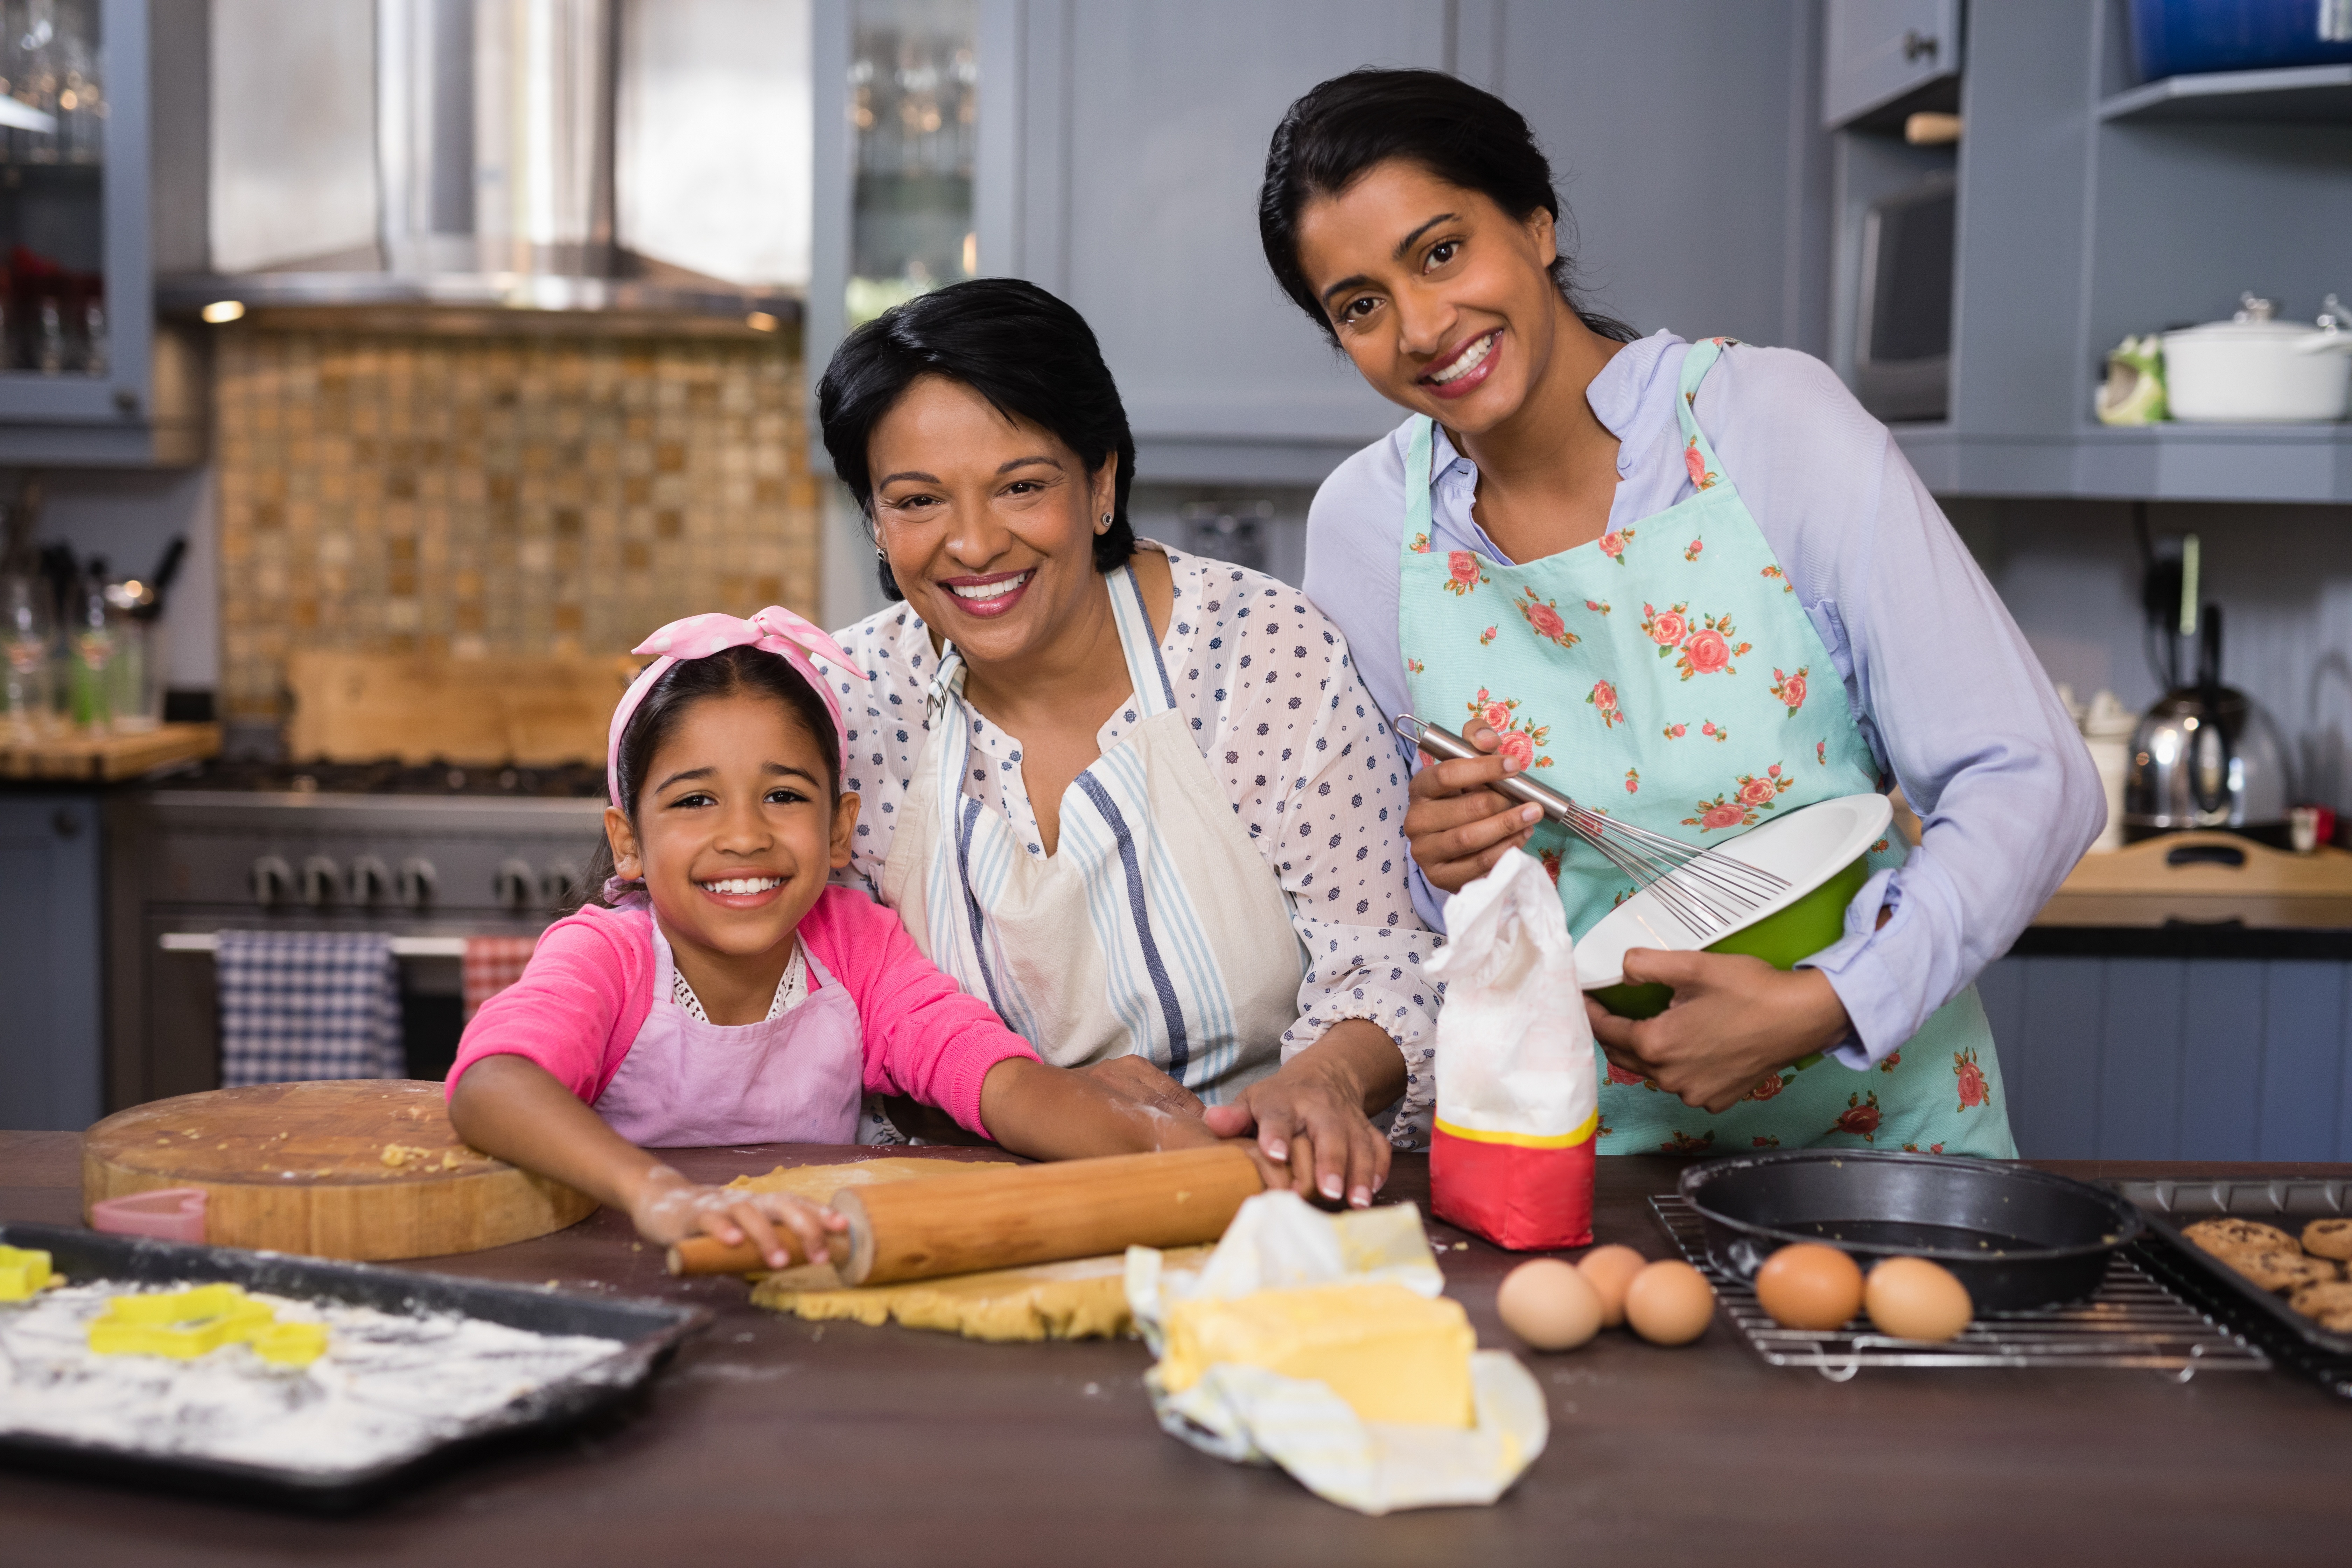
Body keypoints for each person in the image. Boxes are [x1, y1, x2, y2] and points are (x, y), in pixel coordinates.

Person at [1258, 69, 2102, 1157]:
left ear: (1536, 222)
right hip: (1564, 1151)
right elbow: (1392, 916)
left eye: (1442, 250)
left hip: (1882, 1143)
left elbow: (2031, 775)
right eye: (1361, 306)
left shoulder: (1769, 427)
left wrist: (1832, 1001)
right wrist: (1440, 854)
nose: (1422, 326)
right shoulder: (1370, 528)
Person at [818, 276, 1440, 1208]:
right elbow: (817, 1009)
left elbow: (1384, 965)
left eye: (1023, 487)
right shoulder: (852, 701)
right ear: (874, 516)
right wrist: (1046, 1106)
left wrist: (1320, 1086)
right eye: (918, 502)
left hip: (1255, 1192)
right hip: (960, 1206)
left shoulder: (1256, 650)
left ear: (1100, 482)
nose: (975, 543)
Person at [447, 607, 1222, 1268]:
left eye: (783, 794)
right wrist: (657, 1193)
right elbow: (494, 1083)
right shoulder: (607, 957)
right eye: (695, 800)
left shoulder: (855, 947)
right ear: (628, 842)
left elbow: (995, 1078)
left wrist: (1167, 1153)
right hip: (616, 1277)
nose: (744, 835)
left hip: (801, 1277)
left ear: (839, 828)